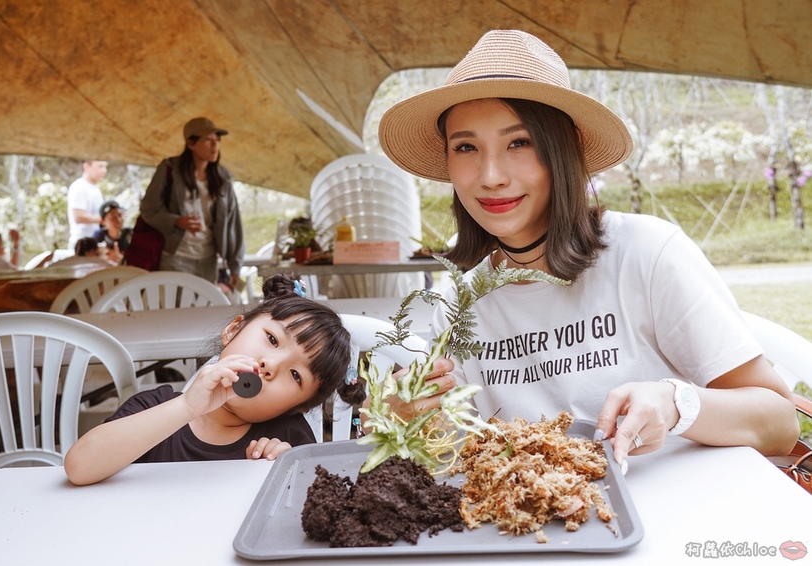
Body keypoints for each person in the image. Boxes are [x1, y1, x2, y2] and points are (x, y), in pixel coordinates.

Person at [375, 29, 798, 471]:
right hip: (538, 532)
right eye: (466, 147)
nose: (491, 175)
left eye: (520, 142)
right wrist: (403, 416)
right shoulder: (459, 305)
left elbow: (780, 423)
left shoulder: (646, 253)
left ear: (567, 147)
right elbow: (453, 452)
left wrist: (675, 403)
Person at [64, 274, 363, 486]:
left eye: (296, 375)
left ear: (298, 407)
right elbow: (78, 468)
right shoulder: (154, 407)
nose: (270, 365)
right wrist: (186, 407)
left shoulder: (288, 438)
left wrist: (286, 472)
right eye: (272, 339)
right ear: (233, 330)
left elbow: (304, 517)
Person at [138, 117, 245, 285]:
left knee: (206, 308)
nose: (215, 145)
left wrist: (235, 266)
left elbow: (233, 224)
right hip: (175, 257)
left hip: (209, 259)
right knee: (174, 309)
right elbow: (148, 209)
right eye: (208, 140)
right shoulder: (169, 169)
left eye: (217, 140)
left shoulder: (223, 178)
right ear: (191, 143)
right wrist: (177, 221)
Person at [67, 160, 108, 251]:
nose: (104, 170)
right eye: (100, 166)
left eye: (105, 167)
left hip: (95, 242)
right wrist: (103, 220)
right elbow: (78, 217)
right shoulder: (79, 187)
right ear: (86, 166)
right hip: (81, 244)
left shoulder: (95, 188)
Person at [94, 199, 132, 264]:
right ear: (103, 222)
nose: (119, 220)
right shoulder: (99, 237)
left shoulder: (131, 235)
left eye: (120, 215)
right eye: (113, 217)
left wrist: (122, 260)